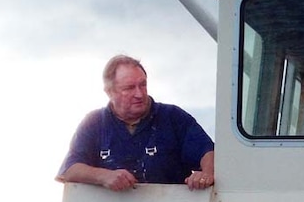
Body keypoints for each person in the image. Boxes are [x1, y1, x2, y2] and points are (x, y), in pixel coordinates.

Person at [57, 54, 214, 191]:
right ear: (109, 92)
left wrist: (206, 174)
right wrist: (104, 176)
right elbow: (70, 170)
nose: (139, 94)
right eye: (129, 88)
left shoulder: (173, 117)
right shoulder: (94, 123)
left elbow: (208, 152)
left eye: (143, 85)